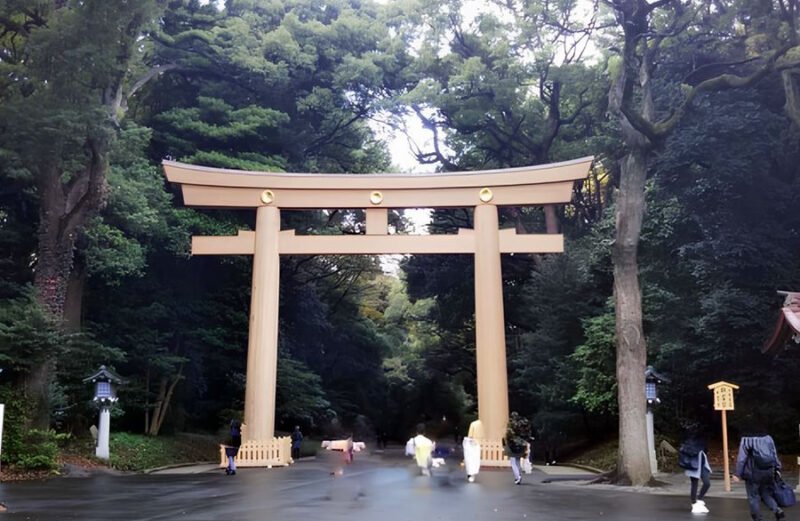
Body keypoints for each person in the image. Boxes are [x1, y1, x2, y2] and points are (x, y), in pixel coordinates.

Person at [733, 432, 785, 521]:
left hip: (753, 473)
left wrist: (738, 474)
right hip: (768, 471)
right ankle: (777, 509)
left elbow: (742, 458)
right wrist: (777, 467)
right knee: (765, 493)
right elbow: (774, 453)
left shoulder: (746, 440)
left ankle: (758, 519)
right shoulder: (768, 438)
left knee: (753, 496)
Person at [680, 431, 712, 514]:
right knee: (695, 484)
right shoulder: (689, 442)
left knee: (707, 483)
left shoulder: (701, 439)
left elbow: (705, 449)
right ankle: (694, 502)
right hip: (693, 464)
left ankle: (699, 499)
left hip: (702, 462)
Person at [504, 412, 531, 485]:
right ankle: (519, 475)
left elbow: (508, 435)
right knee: (518, 460)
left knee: (513, 462)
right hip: (521, 444)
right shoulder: (521, 424)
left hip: (512, 444)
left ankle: (517, 477)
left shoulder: (511, 424)